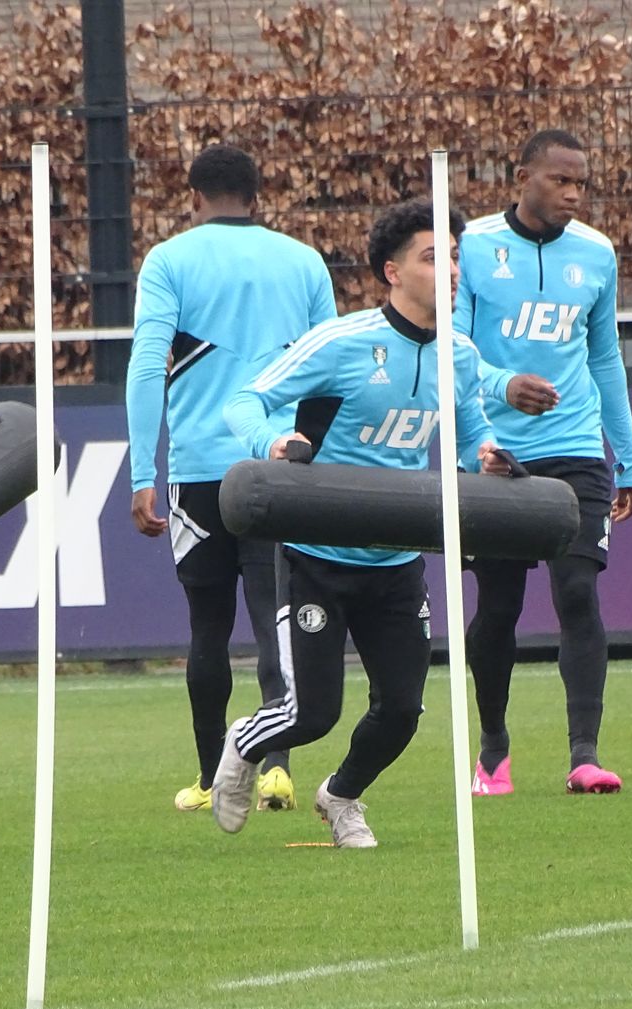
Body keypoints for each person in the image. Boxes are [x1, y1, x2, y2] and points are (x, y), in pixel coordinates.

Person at [212, 198, 514, 848]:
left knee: (404, 710)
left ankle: (342, 796)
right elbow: (244, 400)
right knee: (312, 713)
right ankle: (242, 743)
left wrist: (485, 456)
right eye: (434, 258)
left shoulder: (458, 354)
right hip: (317, 558)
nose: (453, 271)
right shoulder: (342, 342)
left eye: (457, 258)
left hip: (396, 558)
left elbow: (469, 431)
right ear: (391, 272)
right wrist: (271, 441)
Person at [126, 143, 338, 814]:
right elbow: (333, 368)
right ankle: (275, 767)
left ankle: (208, 773)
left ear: (193, 198)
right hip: (278, 469)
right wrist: (315, 456)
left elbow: (144, 367)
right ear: (258, 195)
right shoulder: (302, 261)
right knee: (279, 619)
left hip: (198, 473)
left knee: (206, 627)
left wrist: (140, 470)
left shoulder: (170, 260)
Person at [453, 129, 632, 796]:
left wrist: (630, 454)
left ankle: (584, 755)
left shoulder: (596, 254)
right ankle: (494, 748)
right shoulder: (472, 247)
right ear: (521, 175)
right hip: (493, 450)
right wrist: (502, 386)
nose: (572, 194)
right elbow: (447, 351)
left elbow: (603, 358)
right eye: (559, 180)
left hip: (577, 448)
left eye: (581, 183)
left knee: (578, 593)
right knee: (499, 607)